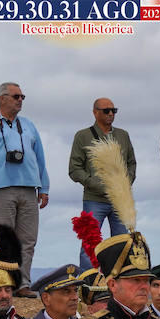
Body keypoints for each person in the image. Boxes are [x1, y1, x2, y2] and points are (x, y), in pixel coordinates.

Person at [0, 83, 49, 294]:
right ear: (2, 99)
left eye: (22, 96)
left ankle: (22, 284)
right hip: (0, 189)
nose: (20, 100)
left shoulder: (29, 125)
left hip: (29, 189)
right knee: (1, 240)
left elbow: (40, 158)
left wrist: (44, 187)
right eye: (16, 96)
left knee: (28, 240)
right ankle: (3, 286)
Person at [68, 97, 136, 267]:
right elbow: (74, 169)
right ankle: (88, 279)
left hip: (121, 200)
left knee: (122, 243)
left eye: (114, 110)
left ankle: (119, 279)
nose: (111, 114)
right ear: (95, 112)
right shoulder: (83, 136)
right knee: (89, 243)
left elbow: (131, 163)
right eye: (106, 111)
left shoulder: (123, 135)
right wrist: (95, 184)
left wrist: (126, 182)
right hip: (94, 199)